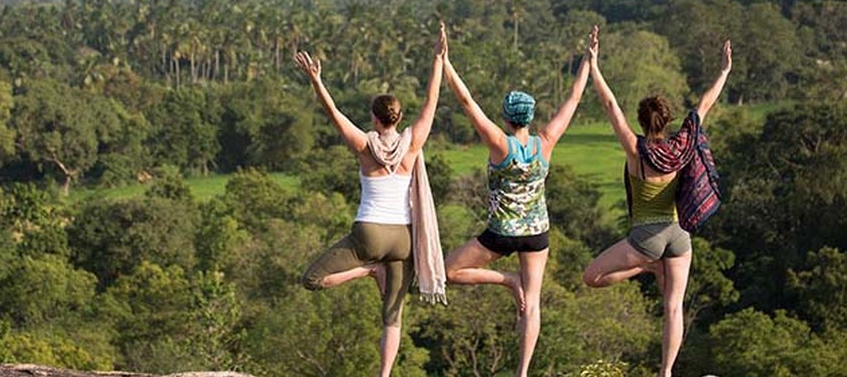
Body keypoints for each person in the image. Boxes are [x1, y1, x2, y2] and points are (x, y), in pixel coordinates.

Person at [581, 25, 732, 377]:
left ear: (642, 121)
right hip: (679, 235)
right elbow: (705, 105)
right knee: (673, 307)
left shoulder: (637, 151)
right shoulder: (681, 145)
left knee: (592, 276)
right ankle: (666, 373)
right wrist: (723, 71)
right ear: (667, 120)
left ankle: (645, 267)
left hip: (645, 239)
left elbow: (609, 105)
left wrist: (594, 65)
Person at [298, 24, 448, 377]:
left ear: (374, 117)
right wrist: (439, 59)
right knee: (392, 316)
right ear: (396, 117)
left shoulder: (365, 145)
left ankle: (368, 271)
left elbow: (334, 114)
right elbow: (432, 101)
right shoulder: (413, 143)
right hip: (404, 239)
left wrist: (317, 80)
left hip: (369, 233)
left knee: (312, 279)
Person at [440, 30, 591, 377]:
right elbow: (574, 98)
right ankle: (522, 372)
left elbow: (466, 103)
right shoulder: (545, 142)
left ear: (507, 118)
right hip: (537, 233)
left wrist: (445, 62)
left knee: (448, 272)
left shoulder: (499, 144)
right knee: (532, 303)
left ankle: (506, 280)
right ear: (530, 117)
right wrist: (588, 61)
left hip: (501, 233)